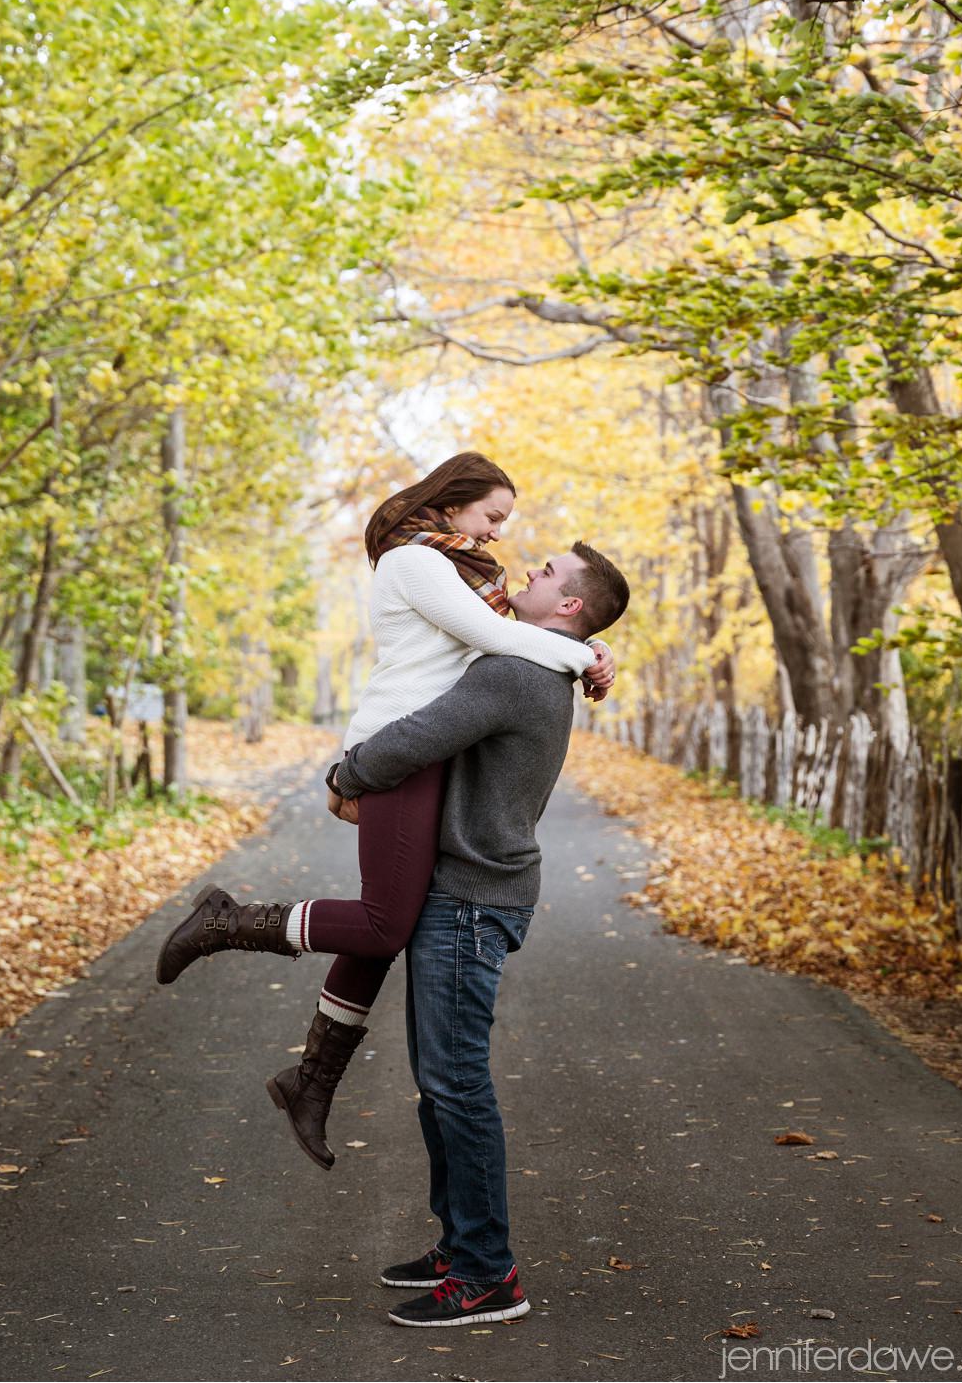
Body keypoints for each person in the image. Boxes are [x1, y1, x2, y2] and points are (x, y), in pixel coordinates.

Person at [154, 453, 615, 1166]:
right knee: (383, 920)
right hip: (397, 746)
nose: (498, 535)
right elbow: (501, 643)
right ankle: (226, 921)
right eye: (493, 516)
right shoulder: (416, 564)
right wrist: (583, 653)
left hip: (425, 755)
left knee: (387, 928)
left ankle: (312, 1080)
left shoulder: (468, 576)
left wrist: (588, 643)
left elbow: (520, 637)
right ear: (455, 501)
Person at [332, 539, 631, 1327]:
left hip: (469, 900)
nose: (530, 570)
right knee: (442, 1084)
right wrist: (596, 651)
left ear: (569, 606)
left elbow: (416, 736)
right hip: (472, 894)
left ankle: (489, 1273)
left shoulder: (517, 672)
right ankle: (460, 1243)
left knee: (456, 1084)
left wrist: (347, 772)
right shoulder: (544, 659)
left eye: (550, 575)